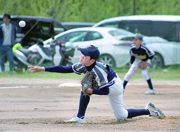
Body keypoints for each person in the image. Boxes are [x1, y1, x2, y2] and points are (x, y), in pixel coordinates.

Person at [28, 45, 165, 123]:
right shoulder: (83, 65)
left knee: (86, 84)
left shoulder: (98, 71)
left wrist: (91, 91)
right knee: (121, 115)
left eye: (84, 55)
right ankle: (150, 111)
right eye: (82, 53)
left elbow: (105, 91)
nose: (81, 56)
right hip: (111, 82)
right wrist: (43, 68)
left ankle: (80, 117)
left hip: (114, 86)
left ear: (92, 60)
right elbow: (64, 69)